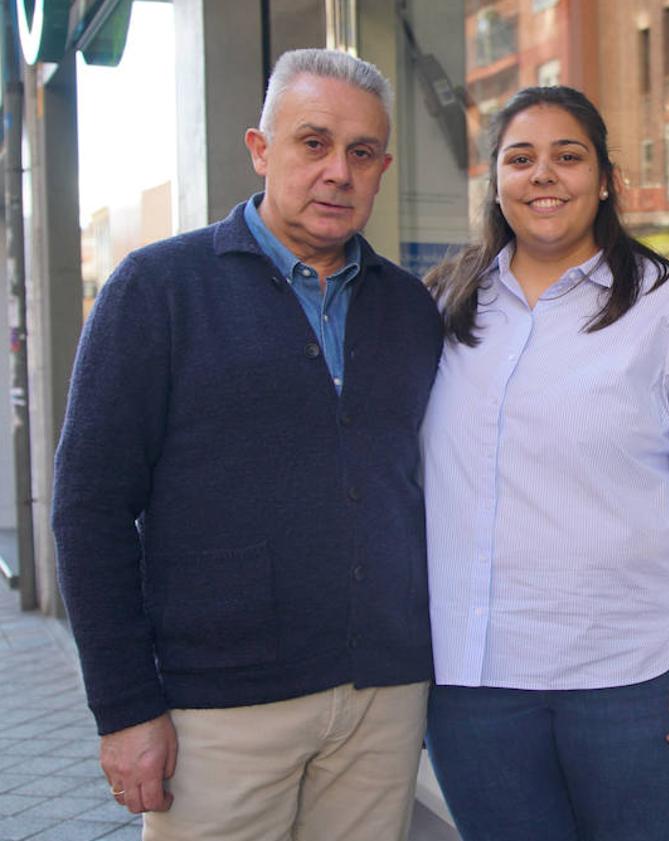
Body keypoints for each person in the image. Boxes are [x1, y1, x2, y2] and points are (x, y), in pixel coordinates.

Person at [52, 48, 441, 841]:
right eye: (313, 142)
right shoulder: (158, 291)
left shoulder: (409, 310)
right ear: (260, 150)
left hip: (382, 702)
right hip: (218, 713)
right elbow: (89, 510)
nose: (338, 171)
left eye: (361, 153)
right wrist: (126, 708)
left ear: (383, 168)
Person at [422, 86, 669, 841]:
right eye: (521, 158)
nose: (543, 175)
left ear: (606, 177)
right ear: (497, 181)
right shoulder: (447, 306)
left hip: (628, 679)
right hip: (473, 684)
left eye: (567, 156)